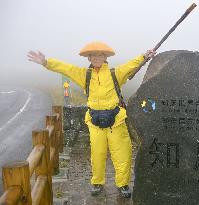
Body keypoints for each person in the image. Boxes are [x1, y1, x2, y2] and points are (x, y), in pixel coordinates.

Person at [27, 41, 156, 198]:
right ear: (88, 58)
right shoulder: (84, 75)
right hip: (95, 123)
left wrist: (145, 56)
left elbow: (131, 65)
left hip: (116, 121)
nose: (96, 58)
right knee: (97, 154)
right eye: (92, 55)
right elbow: (65, 68)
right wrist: (46, 62)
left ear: (105, 57)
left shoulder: (115, 73)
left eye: (99, 55)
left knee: (122, 154)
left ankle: (122, 184)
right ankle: (97, 182)